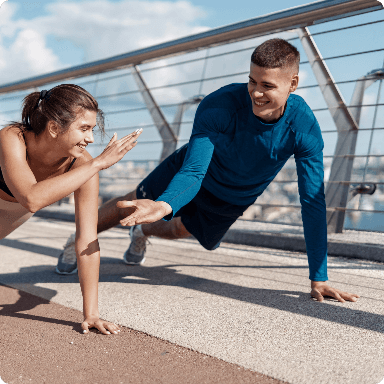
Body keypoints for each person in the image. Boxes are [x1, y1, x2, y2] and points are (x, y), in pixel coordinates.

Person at [57, 39, 359, 303]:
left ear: (293, 84)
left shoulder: (303, 127)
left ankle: (143, 231)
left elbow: (312, 202)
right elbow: (193, 173)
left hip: (235, 196)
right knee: (133, 203)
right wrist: (164, 204)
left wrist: (318, 278)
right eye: (252, 81)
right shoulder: (219, 106)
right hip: (191, 172)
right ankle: (79, 236)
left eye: (268, 85)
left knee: (179, 229)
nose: (256, 93)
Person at [0, 84, 142, 335]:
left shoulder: (83, 166)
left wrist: (91, 314)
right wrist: (98, 163)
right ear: (54, 127)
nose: (90, 138)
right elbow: (31, 198)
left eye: (92, 130)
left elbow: (87, 240)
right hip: (20, 202)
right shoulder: (13, 137)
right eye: (84, 129)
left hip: (12, 212)